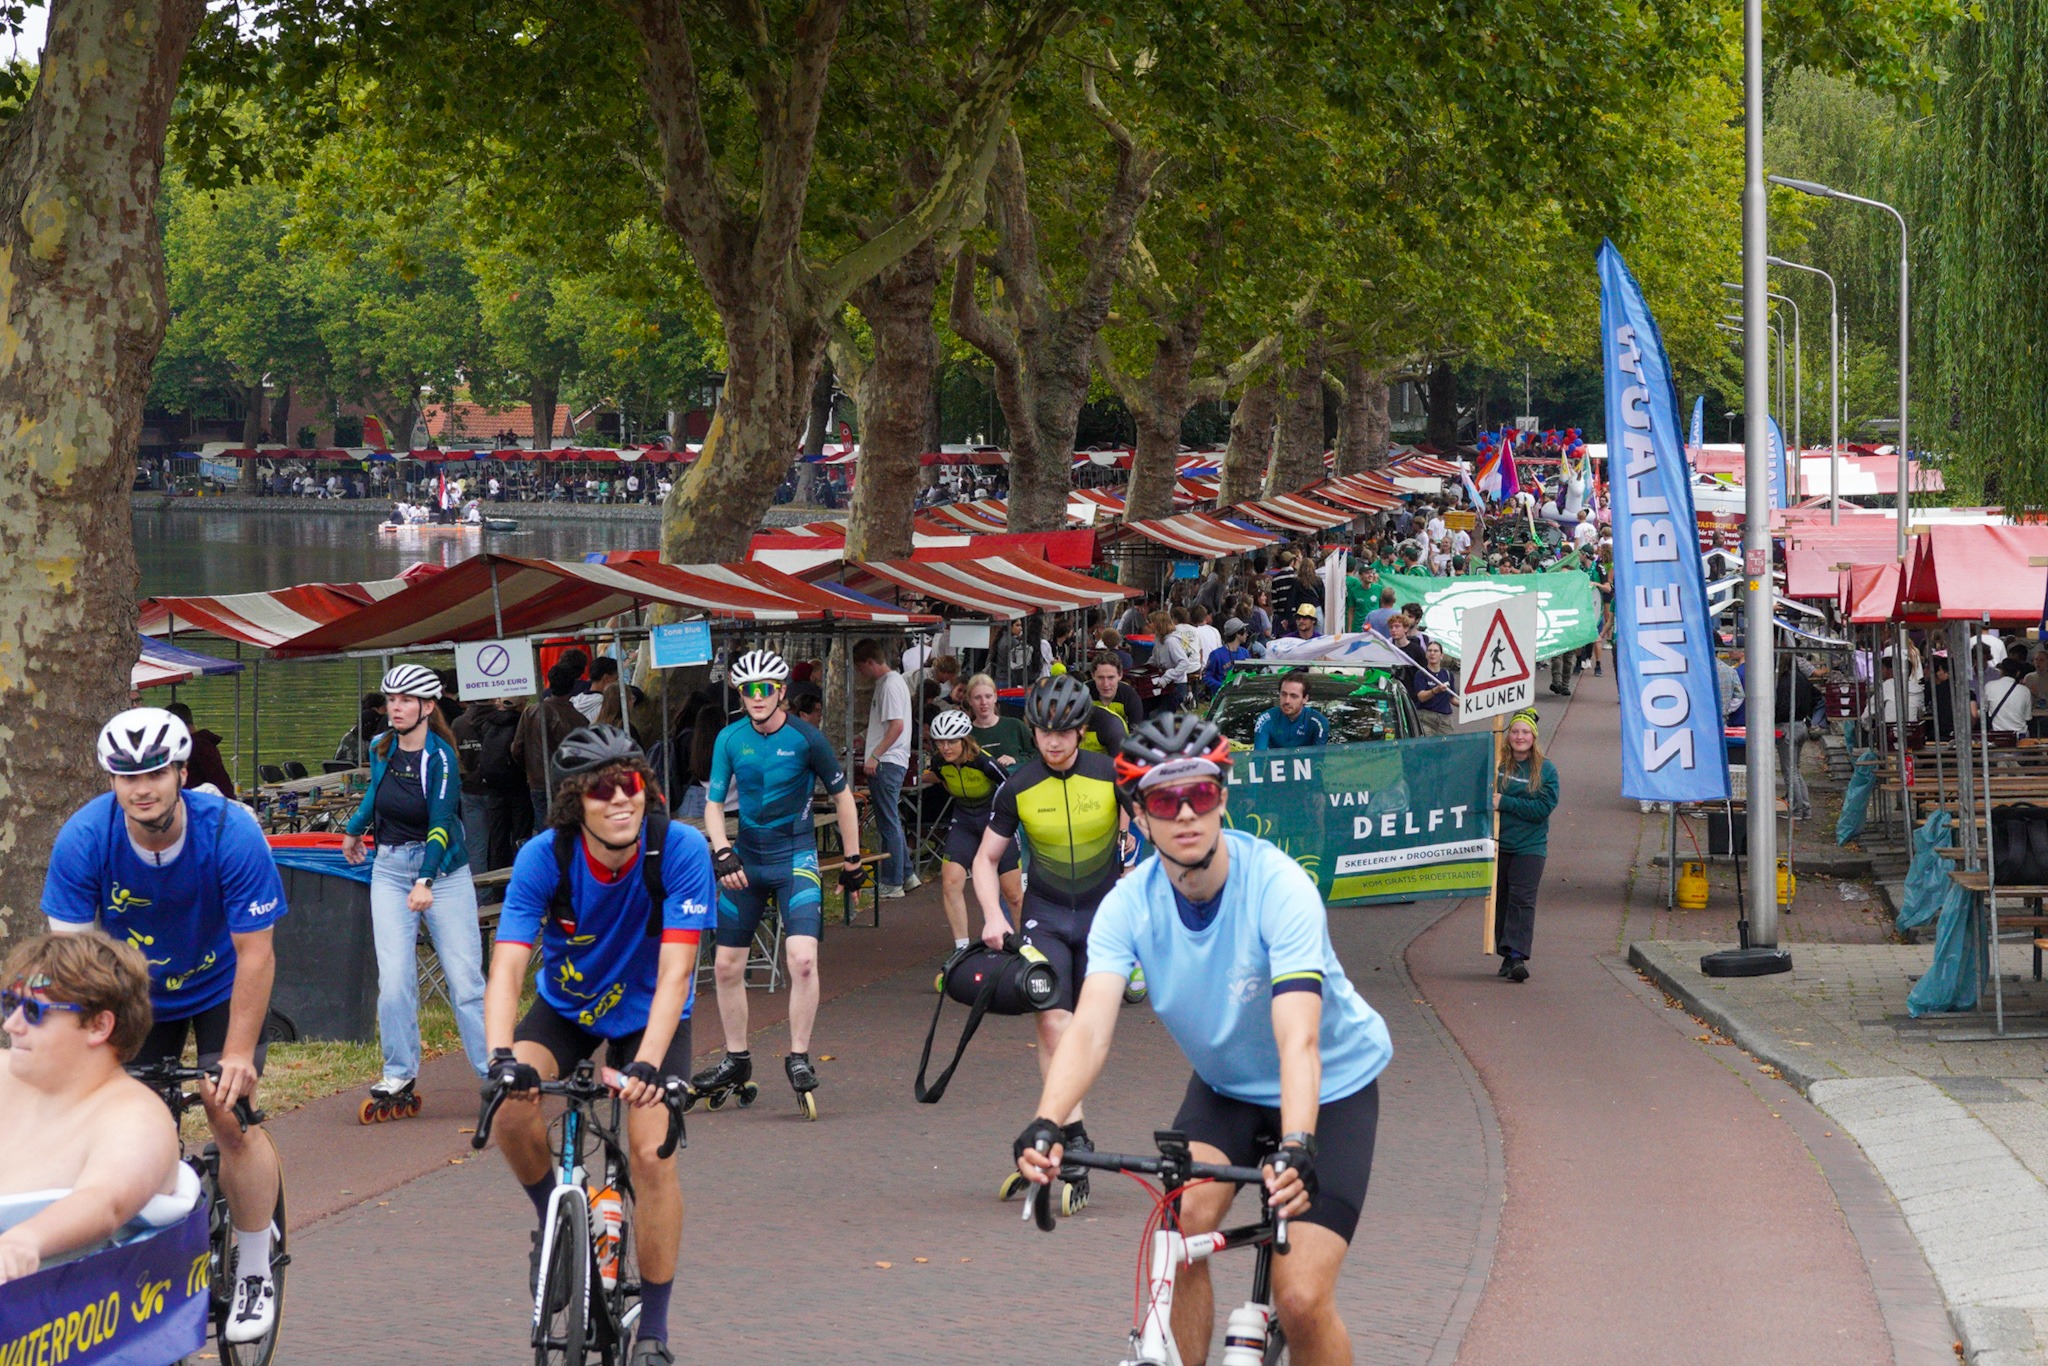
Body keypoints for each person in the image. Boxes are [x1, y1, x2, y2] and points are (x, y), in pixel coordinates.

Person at [1012, 713, 1391, 1364]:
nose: (1186, 813)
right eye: (1165, 798)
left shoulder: (1278, 887)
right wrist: (1047, 1121)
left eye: (1202, 793)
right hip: (1228, 1088)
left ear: (1223, 798)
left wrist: (1299, 1144)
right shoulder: (1128, 906)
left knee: (1300, 1298)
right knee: (1178, 1236)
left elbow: (1298, 1037)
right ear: (1139, 812)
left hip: (1331, 1088)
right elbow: (1090, 1027)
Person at [42, 709, 287, 1339]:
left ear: (181, 771)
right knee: (128, 1128)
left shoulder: (230, 832)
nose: (141, 786)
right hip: (136, 995)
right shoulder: (84, 838)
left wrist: (235, 1056)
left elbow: (257, 953)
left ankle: (256, 1266)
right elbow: (70, 964)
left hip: (220, 983)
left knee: (227, 1110)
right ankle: (145, 1261)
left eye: (154, 771)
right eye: (126, 776)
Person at [484, 726, 714, 1366]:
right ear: (574, 804)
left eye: (632, 783)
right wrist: (501, 1057)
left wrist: (646, 1064)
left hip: (650, 1017)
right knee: (509, 1105)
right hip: (568, 1008)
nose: (622, 800)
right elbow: (505, 968)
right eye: (602, 790)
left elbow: (676, 974)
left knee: (651, 1155)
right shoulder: (544, 857)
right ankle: (555, 1225)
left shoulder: (680, 849)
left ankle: (656, 1334)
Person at [974, 675, 1136, 1208]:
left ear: (1081, 730)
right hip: (1044, 916)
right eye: (1045, 731)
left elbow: (1154, 831)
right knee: (1051, 1021)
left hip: (1104, 916)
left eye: (1065, 731)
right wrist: (993, 915)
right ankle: (1075, 1139)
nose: (1055, 741)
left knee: (1085, 1031)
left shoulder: (1112, 776)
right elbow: (985, 860)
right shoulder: (1017, 786)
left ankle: (1058, 1134)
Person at [697, 651, 865, 1116]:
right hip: (745, 860)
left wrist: (853, 862)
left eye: (764, 689)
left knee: (803, 960)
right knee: (728, 967)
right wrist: (722, 850)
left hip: (796, 857)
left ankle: (797, 1057)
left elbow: (843, 799)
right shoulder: (729, 738)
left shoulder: (807, 739)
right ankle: (736, 1059)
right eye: (747, 690)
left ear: (780, 692)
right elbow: (713, 804)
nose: (756, 697)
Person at [341, 665, 491, 1115]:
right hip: (387, 870)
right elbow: (376, 793)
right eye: (391, 700)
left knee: (465, 982)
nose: (396, 708)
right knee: (394, 981)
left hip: (442, 873)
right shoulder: (381, 746)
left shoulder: (440, 757)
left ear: (428, 707)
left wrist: (425, 880)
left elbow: (441, 824)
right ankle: (399, 1071)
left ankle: (492, 1074)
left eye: (405, 701)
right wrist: (354, 830)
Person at [0, 933, 185, 1285]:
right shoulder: (5, 1076)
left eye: (34, 1011)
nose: (11, 1025)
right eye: (10, 1005)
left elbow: (105, 1200)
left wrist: (26, 1239)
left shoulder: (135, 1117)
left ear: (99, 1026)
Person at [917, 710, 1021, 949]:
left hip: (994, 822)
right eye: (940, 741)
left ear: (965, 740)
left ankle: (1024, 945)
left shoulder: (985, 763)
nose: (945, 747)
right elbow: (944, 781)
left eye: (951, 741)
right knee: (950, 881)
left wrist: (1005, 822)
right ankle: (961, 947)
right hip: (964, 819)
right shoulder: (939, 762)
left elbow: (1010, 790)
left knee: (1013, 894)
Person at [1493, 709, 1559, 983]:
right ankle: (1507, 955)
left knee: (1522, 900)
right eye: (1516, 731)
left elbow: (1543, 808)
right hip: (1499, 845)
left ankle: (1518, 955)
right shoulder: (1496, 765)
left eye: (1525, 732)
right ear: (1508, 736)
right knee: (1502, 901)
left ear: (1534, 737)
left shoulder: (1546, 769)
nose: (1520, 737)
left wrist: (1505, 802)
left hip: (1530, 847)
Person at [853, 638, 918, 898]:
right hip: (891, 759)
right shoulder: (892, 683)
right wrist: (866, 737)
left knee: (887, 822)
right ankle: (906, 873)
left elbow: (896, 726)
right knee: (891, 819)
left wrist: (875, 755)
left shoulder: (890, 684)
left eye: (860, 667)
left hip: (888, 761)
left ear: (870, 662)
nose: (860, 673)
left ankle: (892, 881)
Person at [516, 662, 591, 831]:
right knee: (568, 826)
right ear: (572, 687)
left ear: (549, 683)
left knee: (545, 827)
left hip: (538, 780)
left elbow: (517, 748)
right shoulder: (579, 720)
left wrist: (530, 769)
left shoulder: (530, 712)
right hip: (567, 781)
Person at [966, 674, 1034, 769]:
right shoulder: (966, 734)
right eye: (977, 698)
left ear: (995, 697)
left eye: (988, 696)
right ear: (969, 700)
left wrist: (1016, 760)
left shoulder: (1015, 726)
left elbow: (1037, 755)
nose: (983, 702)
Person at [1255, 670, 1329, 751]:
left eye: (1293, 696)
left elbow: (1318, 760)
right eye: (1284, 694)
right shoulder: (1265, 719)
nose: (1287, 701)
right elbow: (1258, 758)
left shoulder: (1319, 722)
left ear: (1305, 699)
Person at [1087, 651, 1145, 735]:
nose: (1106, 684)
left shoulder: (1130, 697)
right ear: (1093, 675)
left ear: (1120, 675)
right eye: (1100, 678)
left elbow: (1135, 734)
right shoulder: (1083, 694)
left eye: (1110, 678)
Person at [1409, 640, 1458, 736]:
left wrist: (1466, 704)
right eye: (1429, 651)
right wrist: (1436, 690)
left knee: (1446, 748)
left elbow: (1452, 698)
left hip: (1445, 720)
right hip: (1426, 718)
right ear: (1426, 654)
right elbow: (1421, 697)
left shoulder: (1447, 674)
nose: (1432, 653)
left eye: (1435, 651)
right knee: (1429, 746)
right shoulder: (1421, 674)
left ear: (1441, 655)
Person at [1204, 618, 1251, 691]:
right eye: (1245, 631)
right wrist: (1222, 686)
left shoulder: (1245, 653)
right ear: (1238, 634)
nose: (1247, 634)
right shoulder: (1216, 654)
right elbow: (1207, 677)